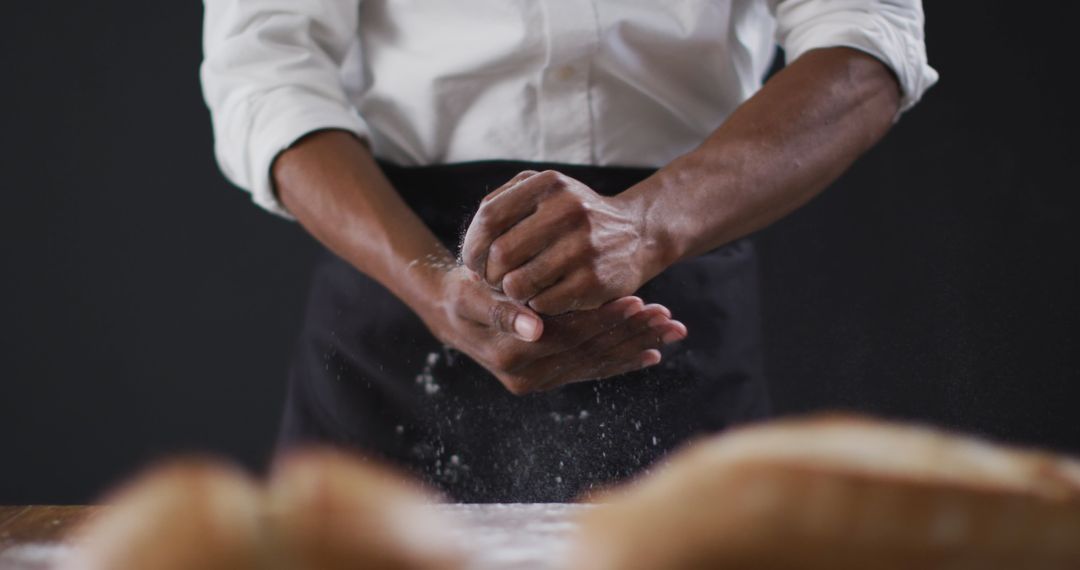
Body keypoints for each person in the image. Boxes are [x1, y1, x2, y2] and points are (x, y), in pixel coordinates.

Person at [201, 0, 937, 501]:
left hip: (676, 281)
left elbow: (869, 34)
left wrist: (650, 224)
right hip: (397, 278)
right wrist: (431, 285)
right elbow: (266, 67)